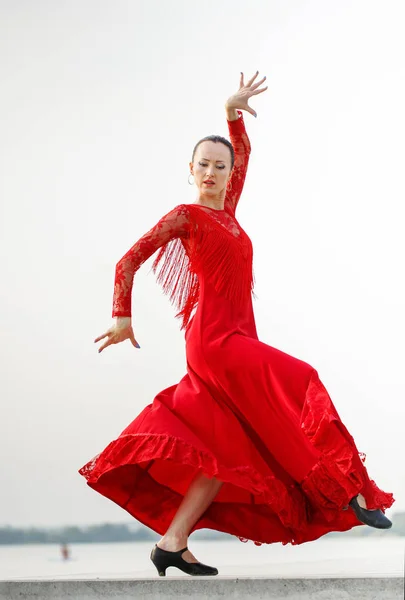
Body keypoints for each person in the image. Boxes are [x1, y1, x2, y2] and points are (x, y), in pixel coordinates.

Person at [79, 71, 394, 577]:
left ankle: (172, 542)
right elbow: (128, 260)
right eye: (203, 164)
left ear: (228, 174)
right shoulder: (187, 216)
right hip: (215, 342)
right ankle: (354, 490)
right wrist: (122, 316)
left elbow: (243, 151)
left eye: (219, 166)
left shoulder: (228, 211)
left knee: (222, 453)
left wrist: (231, 111)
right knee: (303, 376)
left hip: (238, 336)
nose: (212, 172)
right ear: (190, 169)